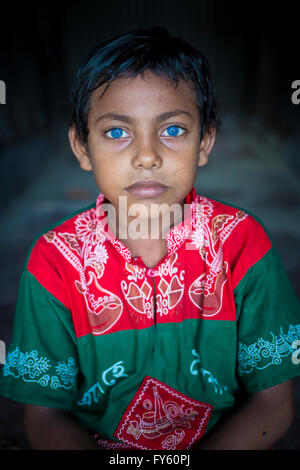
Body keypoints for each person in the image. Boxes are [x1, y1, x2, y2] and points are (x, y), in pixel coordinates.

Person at [0, 27, 300, 451]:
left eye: (173, 130)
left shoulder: (242, 245)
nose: (147, 155)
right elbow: (45, 417)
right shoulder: (55, 261)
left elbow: (274, 404)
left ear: (205, 142)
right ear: (82, 147)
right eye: (117, 132)